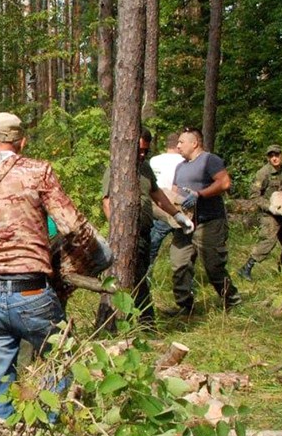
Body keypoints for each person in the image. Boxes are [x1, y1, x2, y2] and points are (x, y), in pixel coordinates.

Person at [0, 112, 112, 419]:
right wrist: (74, 262)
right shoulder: (38, 172)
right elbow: (73, 227)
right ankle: (48, 433)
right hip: (32, 292)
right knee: (62, 361)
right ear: (21, 142)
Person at [101, 128, 192, 323]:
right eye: (139, 150)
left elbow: (157, 194)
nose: (142, 155)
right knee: (137, 277)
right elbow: (107, 201)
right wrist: (117, 231)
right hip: (125, 234)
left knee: (140, 274)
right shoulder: (116, 167)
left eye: (145, 151)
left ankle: (140, 321)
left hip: (144, 232)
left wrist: (177, 215)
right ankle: (144, 322)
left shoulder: (145, 168)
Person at [167, 127, 240, 315]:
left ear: (195, 143)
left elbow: (224, 183)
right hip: (185, 224)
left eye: (182, 142)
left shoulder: (210, 160)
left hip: (210, 222)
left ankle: (232, 300)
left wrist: (200, 195)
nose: (178, 145)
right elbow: (174, 191)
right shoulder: (180, 166)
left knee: (213, 266)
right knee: (179, 264)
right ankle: (185, 306)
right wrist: (173, 212)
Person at [239, 144, 282, 279]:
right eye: (271, 156)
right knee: (267, 242)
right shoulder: (263, 173)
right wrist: (269, 207)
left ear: (281, 156)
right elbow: (254, 195)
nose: (274, 158)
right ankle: (246, 268)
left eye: (276, 155)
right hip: (268, 214)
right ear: (268, 158)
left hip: (280, 213)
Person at [148, 132, 185, 265]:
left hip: (155, 206)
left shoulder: (153, 160)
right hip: (175, 207)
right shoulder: (183, 162)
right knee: (184, 248)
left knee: (152, 246)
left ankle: (146, 277)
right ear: (178, 145)